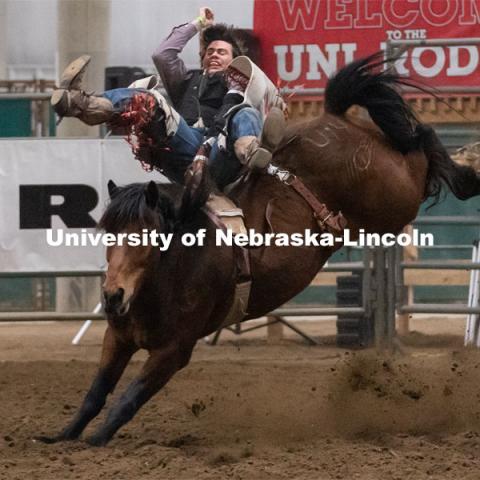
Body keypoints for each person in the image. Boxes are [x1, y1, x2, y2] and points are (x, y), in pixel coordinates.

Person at [50, 7, 286, 187]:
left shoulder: (244, 81)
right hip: (186, 147)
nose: (214, 55)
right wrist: (199, 24)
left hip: (224, 154)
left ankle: (251, 151)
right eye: (210, 51)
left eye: (221, 52)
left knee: (244, 111)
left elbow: (263, 102)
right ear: (203, 58)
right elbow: (162, 55)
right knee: (148, 100)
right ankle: (81, 104)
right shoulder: (186, 81)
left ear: (233, 59)